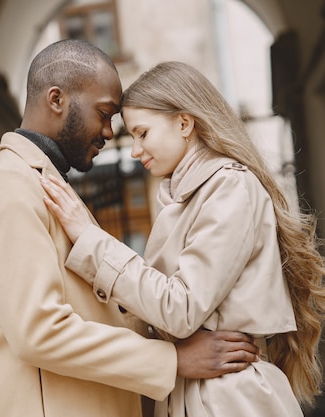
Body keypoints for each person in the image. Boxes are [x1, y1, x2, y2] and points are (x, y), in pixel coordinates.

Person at [0, 41, 259, 417]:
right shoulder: (7, 188)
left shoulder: (45, 185)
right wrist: (171, 360)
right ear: (56, 99)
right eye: (104, 113)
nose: (111, 133)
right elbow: (40, 332)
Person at [40, 61, 325, 417]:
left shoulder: (229, 187)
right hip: (193, 394)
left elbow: (181, 309)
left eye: (143, 133)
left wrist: (91, 240)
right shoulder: (182, 195)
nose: (135, 150)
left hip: (227, 397)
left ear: (184, 123)